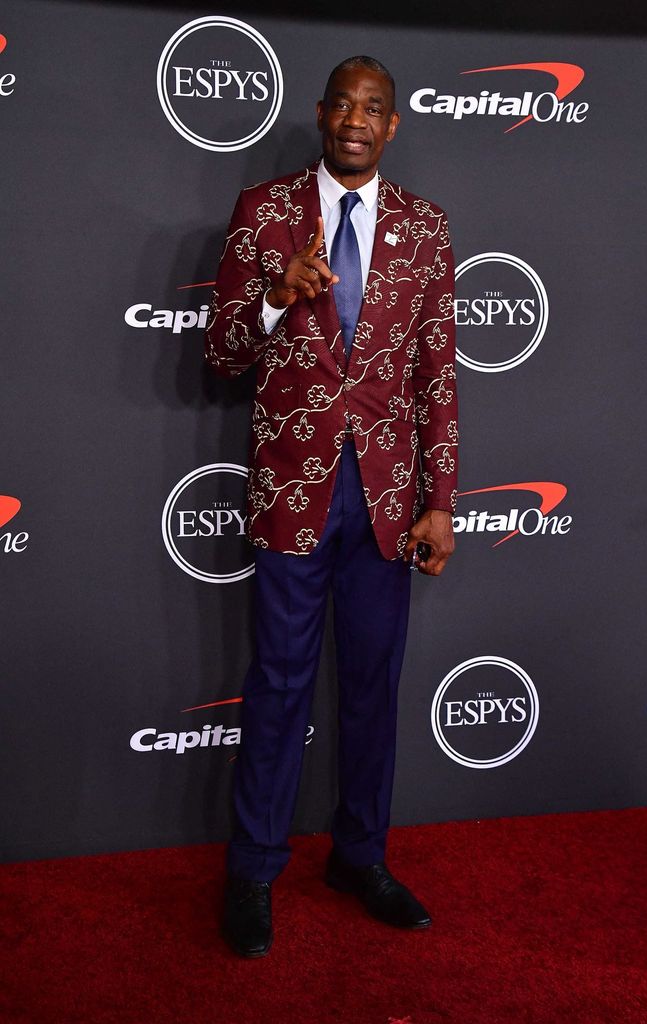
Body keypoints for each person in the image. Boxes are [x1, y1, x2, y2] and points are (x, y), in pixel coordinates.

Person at [205, 55, 458, 958]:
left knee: (372, 687)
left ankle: (359, 856)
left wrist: (442, 501)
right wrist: (276, 296)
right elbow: (223, 353)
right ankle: (254, 869)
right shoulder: (264, 212)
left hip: (387, 498)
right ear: (320, 116)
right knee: (277, 683)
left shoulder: (427, 230)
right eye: (343, 105)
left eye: (374, 109)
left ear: (393, 127)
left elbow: (437, 376)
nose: (356, 119)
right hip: (293, 486)